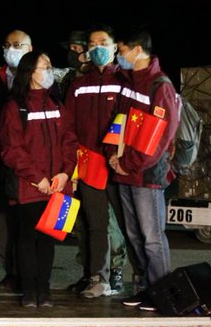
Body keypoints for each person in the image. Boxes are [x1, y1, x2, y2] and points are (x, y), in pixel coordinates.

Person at [63, 25, 140, 298]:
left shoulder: (126, 82)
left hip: (120, 165)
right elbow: (68, 128)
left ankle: (142, 278)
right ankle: (98, 278)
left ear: (114, 46)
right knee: (94, 224)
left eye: (103, 42)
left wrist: (122, 156)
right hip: (88, 165)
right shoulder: (78, 86)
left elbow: (134, 122)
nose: (97, 48)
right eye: (93, 43)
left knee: (130, 226)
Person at [108, 29, 179, 312]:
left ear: (138, 50)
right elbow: (119, 122)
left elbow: (159, 138)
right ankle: (146, 288)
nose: (119, 57)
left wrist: (129, 163)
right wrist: (114, 154)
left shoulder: (159, 85)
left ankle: (163, 293)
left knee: (152, 237)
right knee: (134, 235)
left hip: (145, 174)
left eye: (122, 50)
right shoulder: (130, 82)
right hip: (124, 169)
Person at [0, 50, 77, 308]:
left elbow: (69, 141)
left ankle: (44, 289)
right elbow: (12, 148)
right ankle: (29, 291)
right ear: (30, 72)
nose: (50, 71)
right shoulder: (15, 107)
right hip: (30, 187)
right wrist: (37, 177)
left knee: (48, 240)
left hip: (58, 187)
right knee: (27, 239)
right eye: (45, 66)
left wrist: (65, 173)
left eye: (50, 65)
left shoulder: (57, 104)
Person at [0, 29, 32, 291]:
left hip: (29, 168)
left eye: (18, 45)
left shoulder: (40, 80)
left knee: (26, 222)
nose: (12, 49)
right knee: (1, 223)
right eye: (8, 44)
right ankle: (10, 273)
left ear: (30, 49)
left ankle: (29, 275)